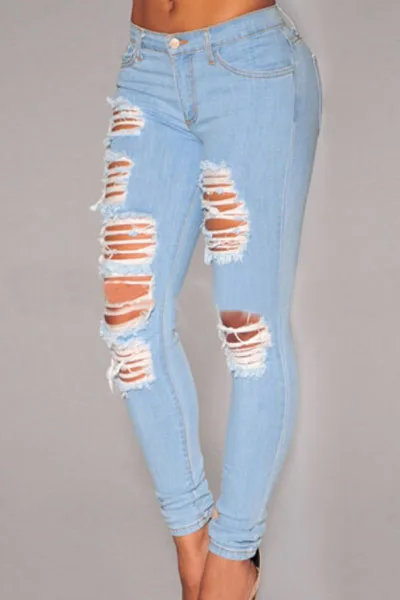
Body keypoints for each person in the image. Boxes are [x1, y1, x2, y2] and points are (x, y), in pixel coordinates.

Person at [91, 0, 322, 598]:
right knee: (130, 325)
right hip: (146, 67)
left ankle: (235, 556)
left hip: (250, 66)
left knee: (251, 333)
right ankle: (194, 548)